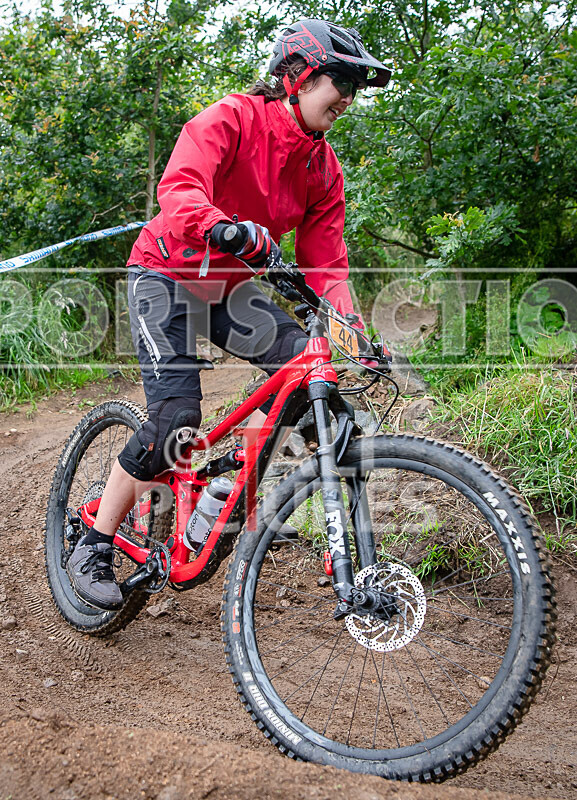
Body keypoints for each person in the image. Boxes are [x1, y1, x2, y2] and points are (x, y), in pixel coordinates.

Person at [66, 18, 391, 611]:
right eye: (339, 80)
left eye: (355, 87)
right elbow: (181, 187)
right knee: (176, 419)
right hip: (165, 273)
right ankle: (95, 538)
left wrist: (356, 336)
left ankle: (227, 485)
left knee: (308, 372)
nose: (348, 97)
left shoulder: (323, 168)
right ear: (295, 77)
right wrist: (223, 226)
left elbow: (327, 267)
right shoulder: (231, 118)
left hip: (229, 290)